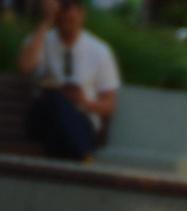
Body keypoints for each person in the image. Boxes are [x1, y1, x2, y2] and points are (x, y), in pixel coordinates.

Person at [17, 0, 120, 160]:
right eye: (61, 13)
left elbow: (110, 105)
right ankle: (81, 153)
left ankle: (74, 147)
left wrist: (83, 102)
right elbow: (26, 67)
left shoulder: (99, 50)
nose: (66, 18)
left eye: (69, 11)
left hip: (81, 121)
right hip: (45, 119)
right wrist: (46, 21)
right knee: (54, 98)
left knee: (64, 119)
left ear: (82, 13)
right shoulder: (40, 40)